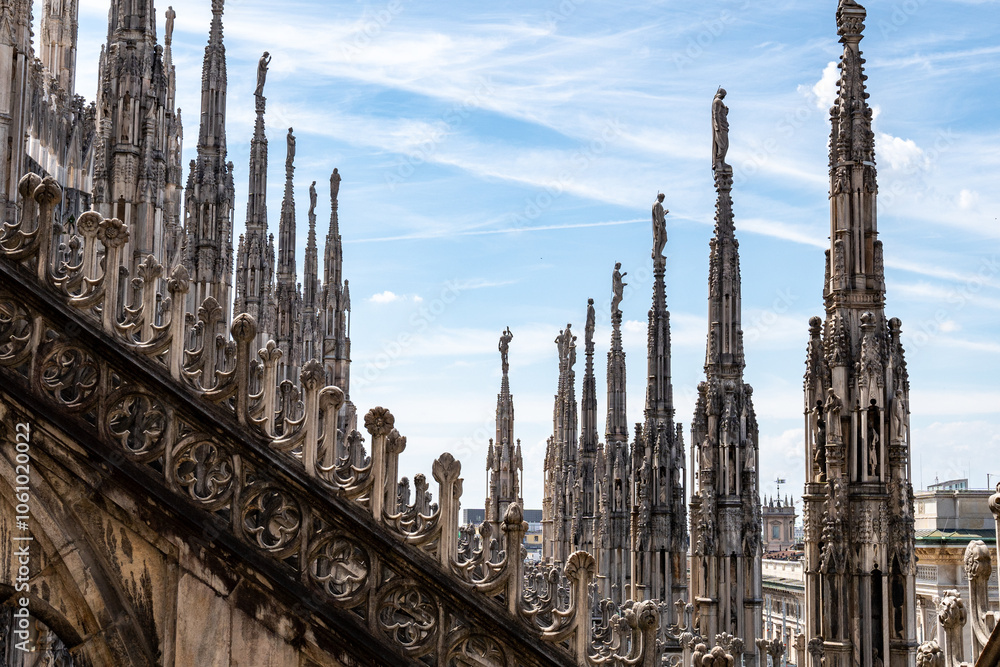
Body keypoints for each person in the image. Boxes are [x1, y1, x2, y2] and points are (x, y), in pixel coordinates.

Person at [712, 88, 730, 171]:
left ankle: (722, 161)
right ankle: (718, 161)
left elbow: (721, 114)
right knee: (721, 144)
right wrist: (717, 126)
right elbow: (715, 114)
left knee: (726, 144)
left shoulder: (719, 102)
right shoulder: (717, 101)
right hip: (720, 127)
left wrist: (725, 111)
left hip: (724, 126)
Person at [652, 193, 668, 261]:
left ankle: (658, 253)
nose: (663, 200)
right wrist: (660, 225)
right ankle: (658, 253)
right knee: (663, 239)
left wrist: (664, 213)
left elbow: (659, 215)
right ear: (661, 198)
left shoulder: (656, 204)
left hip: (660, 224)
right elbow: (657, 214)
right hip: (660, 225)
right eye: (663, 198)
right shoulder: (657, 204)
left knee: (660, 239)